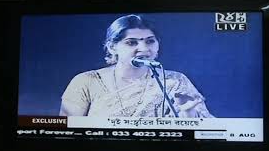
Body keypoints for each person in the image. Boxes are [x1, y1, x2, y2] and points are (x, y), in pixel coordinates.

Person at [59, 14, 214, 118]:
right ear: (112, 47)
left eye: (150, 41)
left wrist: (189, 115)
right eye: (131, 42)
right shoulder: (86, 82)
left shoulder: (176, 81)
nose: (144, 49)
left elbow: (205, 134)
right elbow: (67, 134)